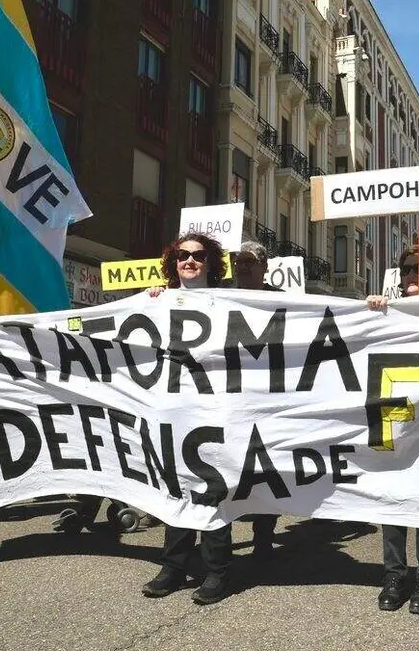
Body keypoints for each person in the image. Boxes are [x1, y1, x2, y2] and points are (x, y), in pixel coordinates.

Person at [142, 232, 234, 605]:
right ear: (173, 261)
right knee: (175, 486)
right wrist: (149, 302)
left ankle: (217, 571)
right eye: (183, 255)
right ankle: (173, 567)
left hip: (213, 410)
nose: (190, 261)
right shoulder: (158, 301)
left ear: (211, 263)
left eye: (198, 255)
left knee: (212, 488)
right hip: (172, 411)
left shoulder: (228, 302)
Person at [365, 244, 419, 614]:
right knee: (393, 497)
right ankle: (394, 575)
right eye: (408, 268)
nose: (414, 273)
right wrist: (371, 311)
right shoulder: (388, 310)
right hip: (394, 417)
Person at [230, 241, 285, 559]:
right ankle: (220, 537)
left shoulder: (284, 302)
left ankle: (263, 535)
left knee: (266, 469)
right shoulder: (220, 297)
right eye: (238, 262)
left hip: (269, 399)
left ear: (264, 267)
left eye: (249, 262)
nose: (242, 267)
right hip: (231, 397)